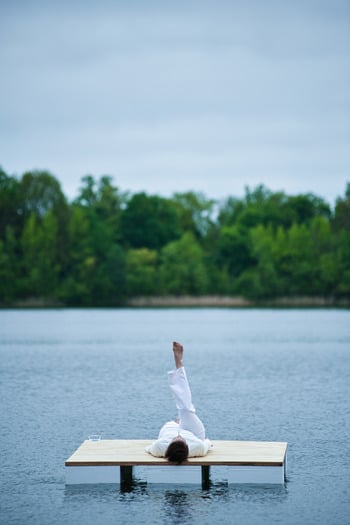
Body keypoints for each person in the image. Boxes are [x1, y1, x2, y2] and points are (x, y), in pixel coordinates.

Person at [145, 341, 211, 464]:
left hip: (168, 431)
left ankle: (178, 421)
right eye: (182, 440)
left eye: (176, 439)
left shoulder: (159, 447)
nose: (179, 436)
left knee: (177, 421)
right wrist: (207, 441)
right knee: (186, 409)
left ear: (169, 445)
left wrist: (176, 427)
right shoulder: (197, 448)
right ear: (187, 446)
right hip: (194, 433)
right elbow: (207, 443)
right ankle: (179, 363)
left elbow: (147, 449)